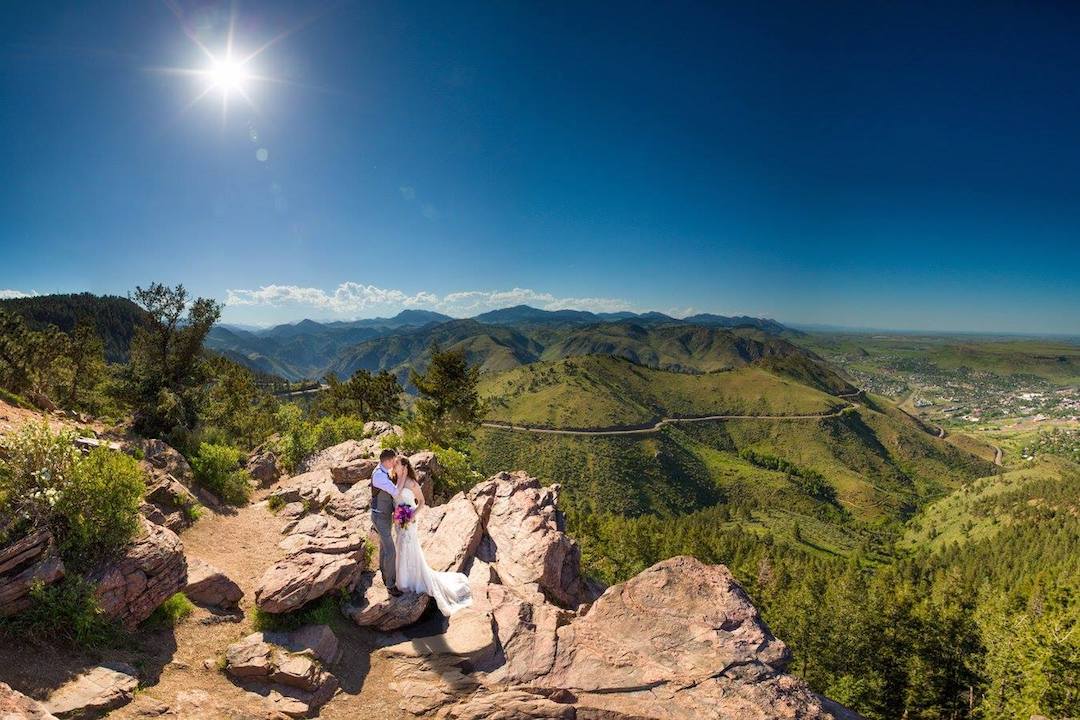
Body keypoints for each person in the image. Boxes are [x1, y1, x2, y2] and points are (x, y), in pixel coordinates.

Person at [391, 456, 472, 616]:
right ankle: (403, 579)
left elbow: (421, 501)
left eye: (398, 464)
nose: (395, 466)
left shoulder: (412, 483)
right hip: (400, 516)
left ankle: (412, 580)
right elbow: (395, 496)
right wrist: (397, 514)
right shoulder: (396, 481)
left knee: (408, 546)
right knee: (400, 545)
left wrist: (412, 515)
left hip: (409, 516)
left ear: (405, 466)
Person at [370, 448, 403, 596]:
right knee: (391, 551)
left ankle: (384, 573)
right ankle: (390, 584)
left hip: (384, 516)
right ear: (388, 461)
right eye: (393, 461)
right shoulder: (379, 475)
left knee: (384, 547)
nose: (394, 463)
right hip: (380, 517)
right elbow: (395, 492)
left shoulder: (383, 471)